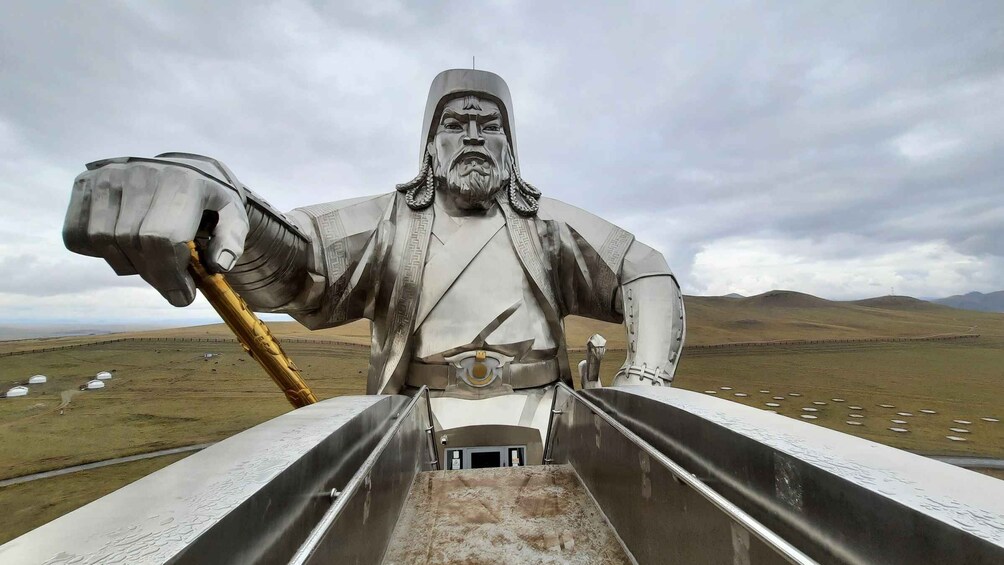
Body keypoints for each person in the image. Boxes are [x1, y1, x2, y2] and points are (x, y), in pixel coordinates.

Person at [64, 70, 685, 443]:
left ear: (510, 144)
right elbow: (298, 263)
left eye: (489, 125)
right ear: (430, 145)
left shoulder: (548, 226)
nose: (473, 135)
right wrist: (223, 198)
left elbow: (645, 268)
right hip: (412, 421)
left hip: (545, 415)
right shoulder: (387, 224)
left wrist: (645, 379)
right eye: (456, 124)